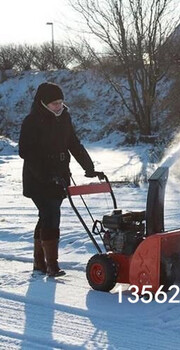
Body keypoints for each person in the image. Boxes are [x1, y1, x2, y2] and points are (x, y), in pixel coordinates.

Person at [19, 82, 99, 277]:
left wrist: (89, 167)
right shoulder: (32, 121)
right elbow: (26, 153)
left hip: (60, 176)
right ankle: (51, 265)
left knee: (47, 216)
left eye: (61, 102)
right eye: (55, 103)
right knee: (51, 214)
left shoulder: (64, 118)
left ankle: (40, 262)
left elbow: (73, 143)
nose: (59, 106)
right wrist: (47, 176)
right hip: (38, 178)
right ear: (43, 103)